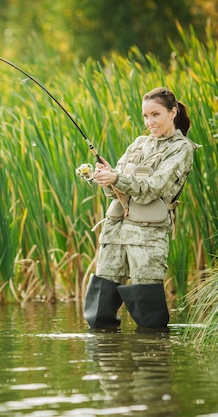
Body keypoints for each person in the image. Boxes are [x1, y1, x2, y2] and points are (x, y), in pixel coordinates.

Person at [83, 87, 200, 330]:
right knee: (98, 316)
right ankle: (106, 365)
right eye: (145, 116)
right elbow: (113, 191)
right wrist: (105, 177)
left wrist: (116, 178)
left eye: (155, 115)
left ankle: (153, 363)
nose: (150, 122)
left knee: (150, 320)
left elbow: (154, 187)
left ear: (173, 112)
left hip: (148, 236)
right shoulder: (138, 144)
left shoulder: (182, 148)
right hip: (115, 233)